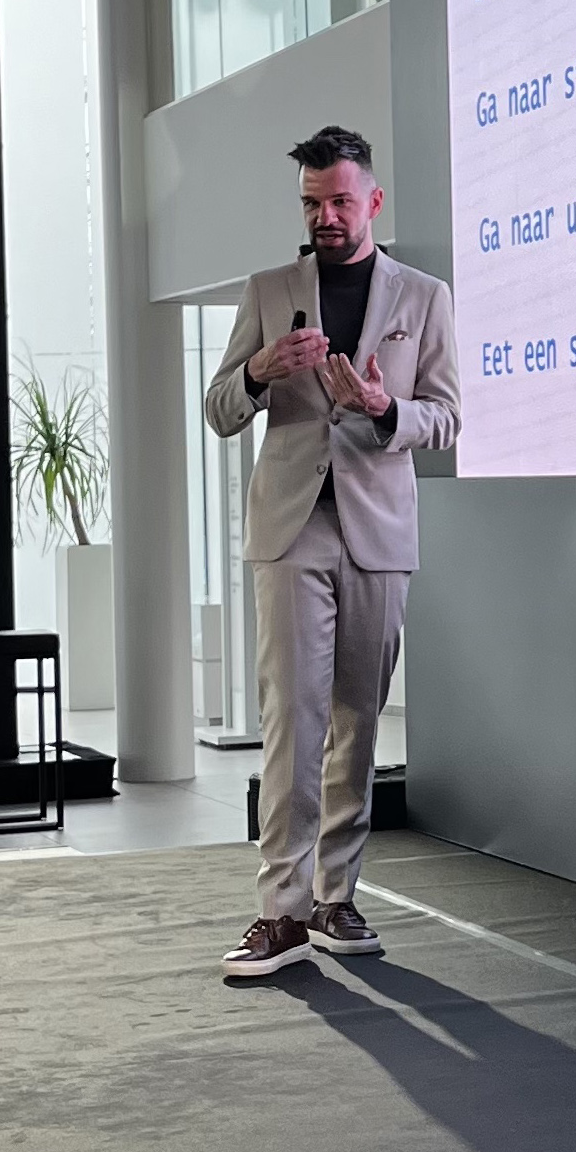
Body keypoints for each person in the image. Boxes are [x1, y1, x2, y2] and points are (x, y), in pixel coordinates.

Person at [204, 125, 459, 979]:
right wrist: (259, 370)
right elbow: (219, 408)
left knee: (357, 717)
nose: (326, 217)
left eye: (341, 201)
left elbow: (447, 416)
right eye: (313, 203)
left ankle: (334, 896)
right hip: (290, 527)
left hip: (378, 529)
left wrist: (387, 409)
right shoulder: (268, 289)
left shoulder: (424, 297)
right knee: (293, 716)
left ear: (372, 200)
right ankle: (278, 910)